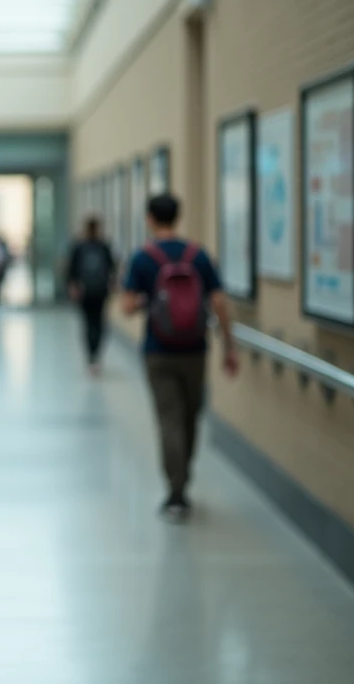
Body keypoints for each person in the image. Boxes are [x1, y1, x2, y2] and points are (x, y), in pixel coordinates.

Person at [121, 194, 238, 523]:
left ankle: (176, 492)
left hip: (158, 350)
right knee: (189, 418)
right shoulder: (197, 255)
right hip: (195, 350)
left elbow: (127, 307)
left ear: (149, 218)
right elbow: (219, 303)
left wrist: (149, 301)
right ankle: (183, 475)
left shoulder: (143, 258)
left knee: (168, 419)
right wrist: (229, 346)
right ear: (178, 217)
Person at [66, 216, 116, 375]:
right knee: (97, 323)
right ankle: (94, 356)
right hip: (98, 290)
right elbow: (112, 268)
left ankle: (92, 356)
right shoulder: (102, 246)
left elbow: (71, 269)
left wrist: (73, 286)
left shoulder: (81, 246)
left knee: (90, 323)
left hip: (88, 290)